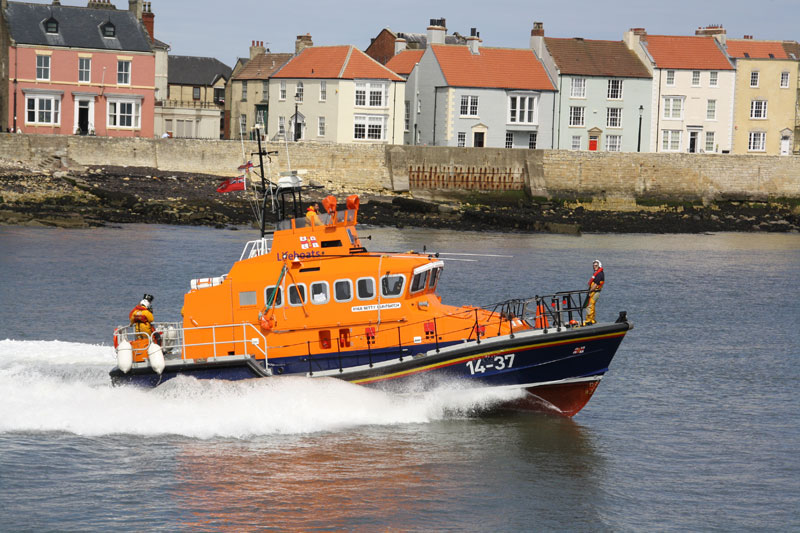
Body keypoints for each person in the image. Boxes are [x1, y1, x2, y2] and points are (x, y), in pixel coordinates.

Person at [584, 260, 604, 326]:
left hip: (595, 292)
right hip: (594, 292)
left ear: (599, 266)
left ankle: (589, 320)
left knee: (590, 305)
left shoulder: (599, 274)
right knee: (591, 305)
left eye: (596, 265)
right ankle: (592, 319)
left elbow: (595, 285)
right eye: (594, 265)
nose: (594, 266)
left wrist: (589, 291)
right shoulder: (598, 273)